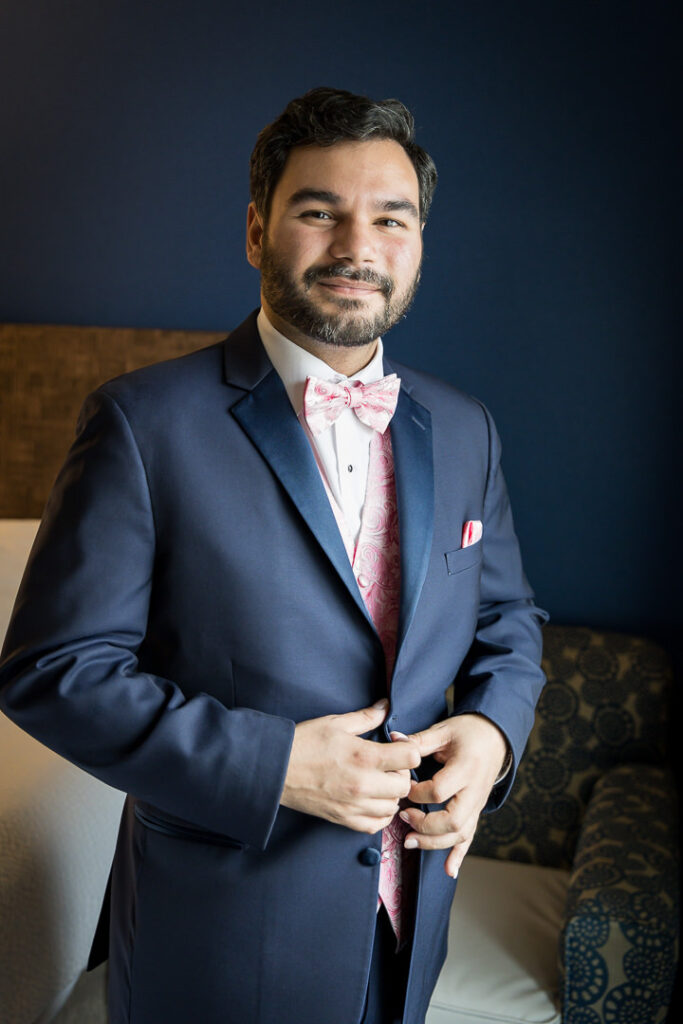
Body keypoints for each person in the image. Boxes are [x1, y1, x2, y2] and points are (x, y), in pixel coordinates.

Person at [0, 87, 547, 1024]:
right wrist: (276, 766)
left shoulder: (467, 430)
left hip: (408, 926)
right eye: (317, 211)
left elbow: (507, 622)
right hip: (215, 939)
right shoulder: (139, 423)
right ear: (257, 231)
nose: (356, 247)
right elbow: (52, 671)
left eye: (389, 217)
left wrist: (492, 736)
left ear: (417, 244)